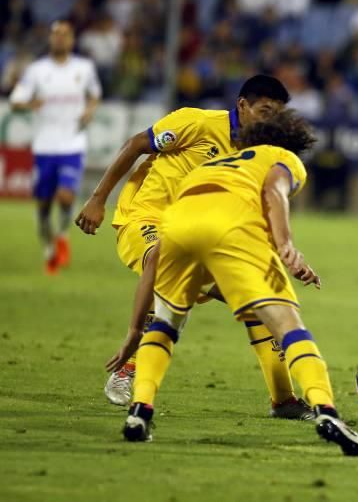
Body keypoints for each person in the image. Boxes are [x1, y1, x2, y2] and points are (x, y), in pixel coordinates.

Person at [122, 109, 358, 456]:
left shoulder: (211, 167)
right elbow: (274, 190)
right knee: (287, 325)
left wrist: (135, 329)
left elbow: (159, 254)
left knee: (165, 325)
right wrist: (286, 246)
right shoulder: (283, 158)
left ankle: (140, 409)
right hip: (231, 229)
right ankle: (326, 412)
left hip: (177, 225)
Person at [75, 75, 312, 420]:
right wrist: (98, 199)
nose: (270, 120)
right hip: (146, 221)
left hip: (200, 235)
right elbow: (136, 144)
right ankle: (128, 368)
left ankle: (284, 400)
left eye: (277, 114)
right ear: (242, 106)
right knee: (162, 258)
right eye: (264, 110)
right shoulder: (196, 123)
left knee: (260, 302)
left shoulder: (259, 156)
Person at [9, 20, 101, 274]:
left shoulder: (84, 68)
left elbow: (94, 94)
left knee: (66, 195)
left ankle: (62, 236)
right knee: (43, 207)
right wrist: (30, 104)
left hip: (72, 143)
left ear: (72, 40)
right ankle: (49, 250)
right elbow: (16, 101)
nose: (60, 38)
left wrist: (89, 111)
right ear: (51, 39)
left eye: (65, 34)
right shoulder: (36, 71)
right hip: (44, 146)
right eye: (56, 34)